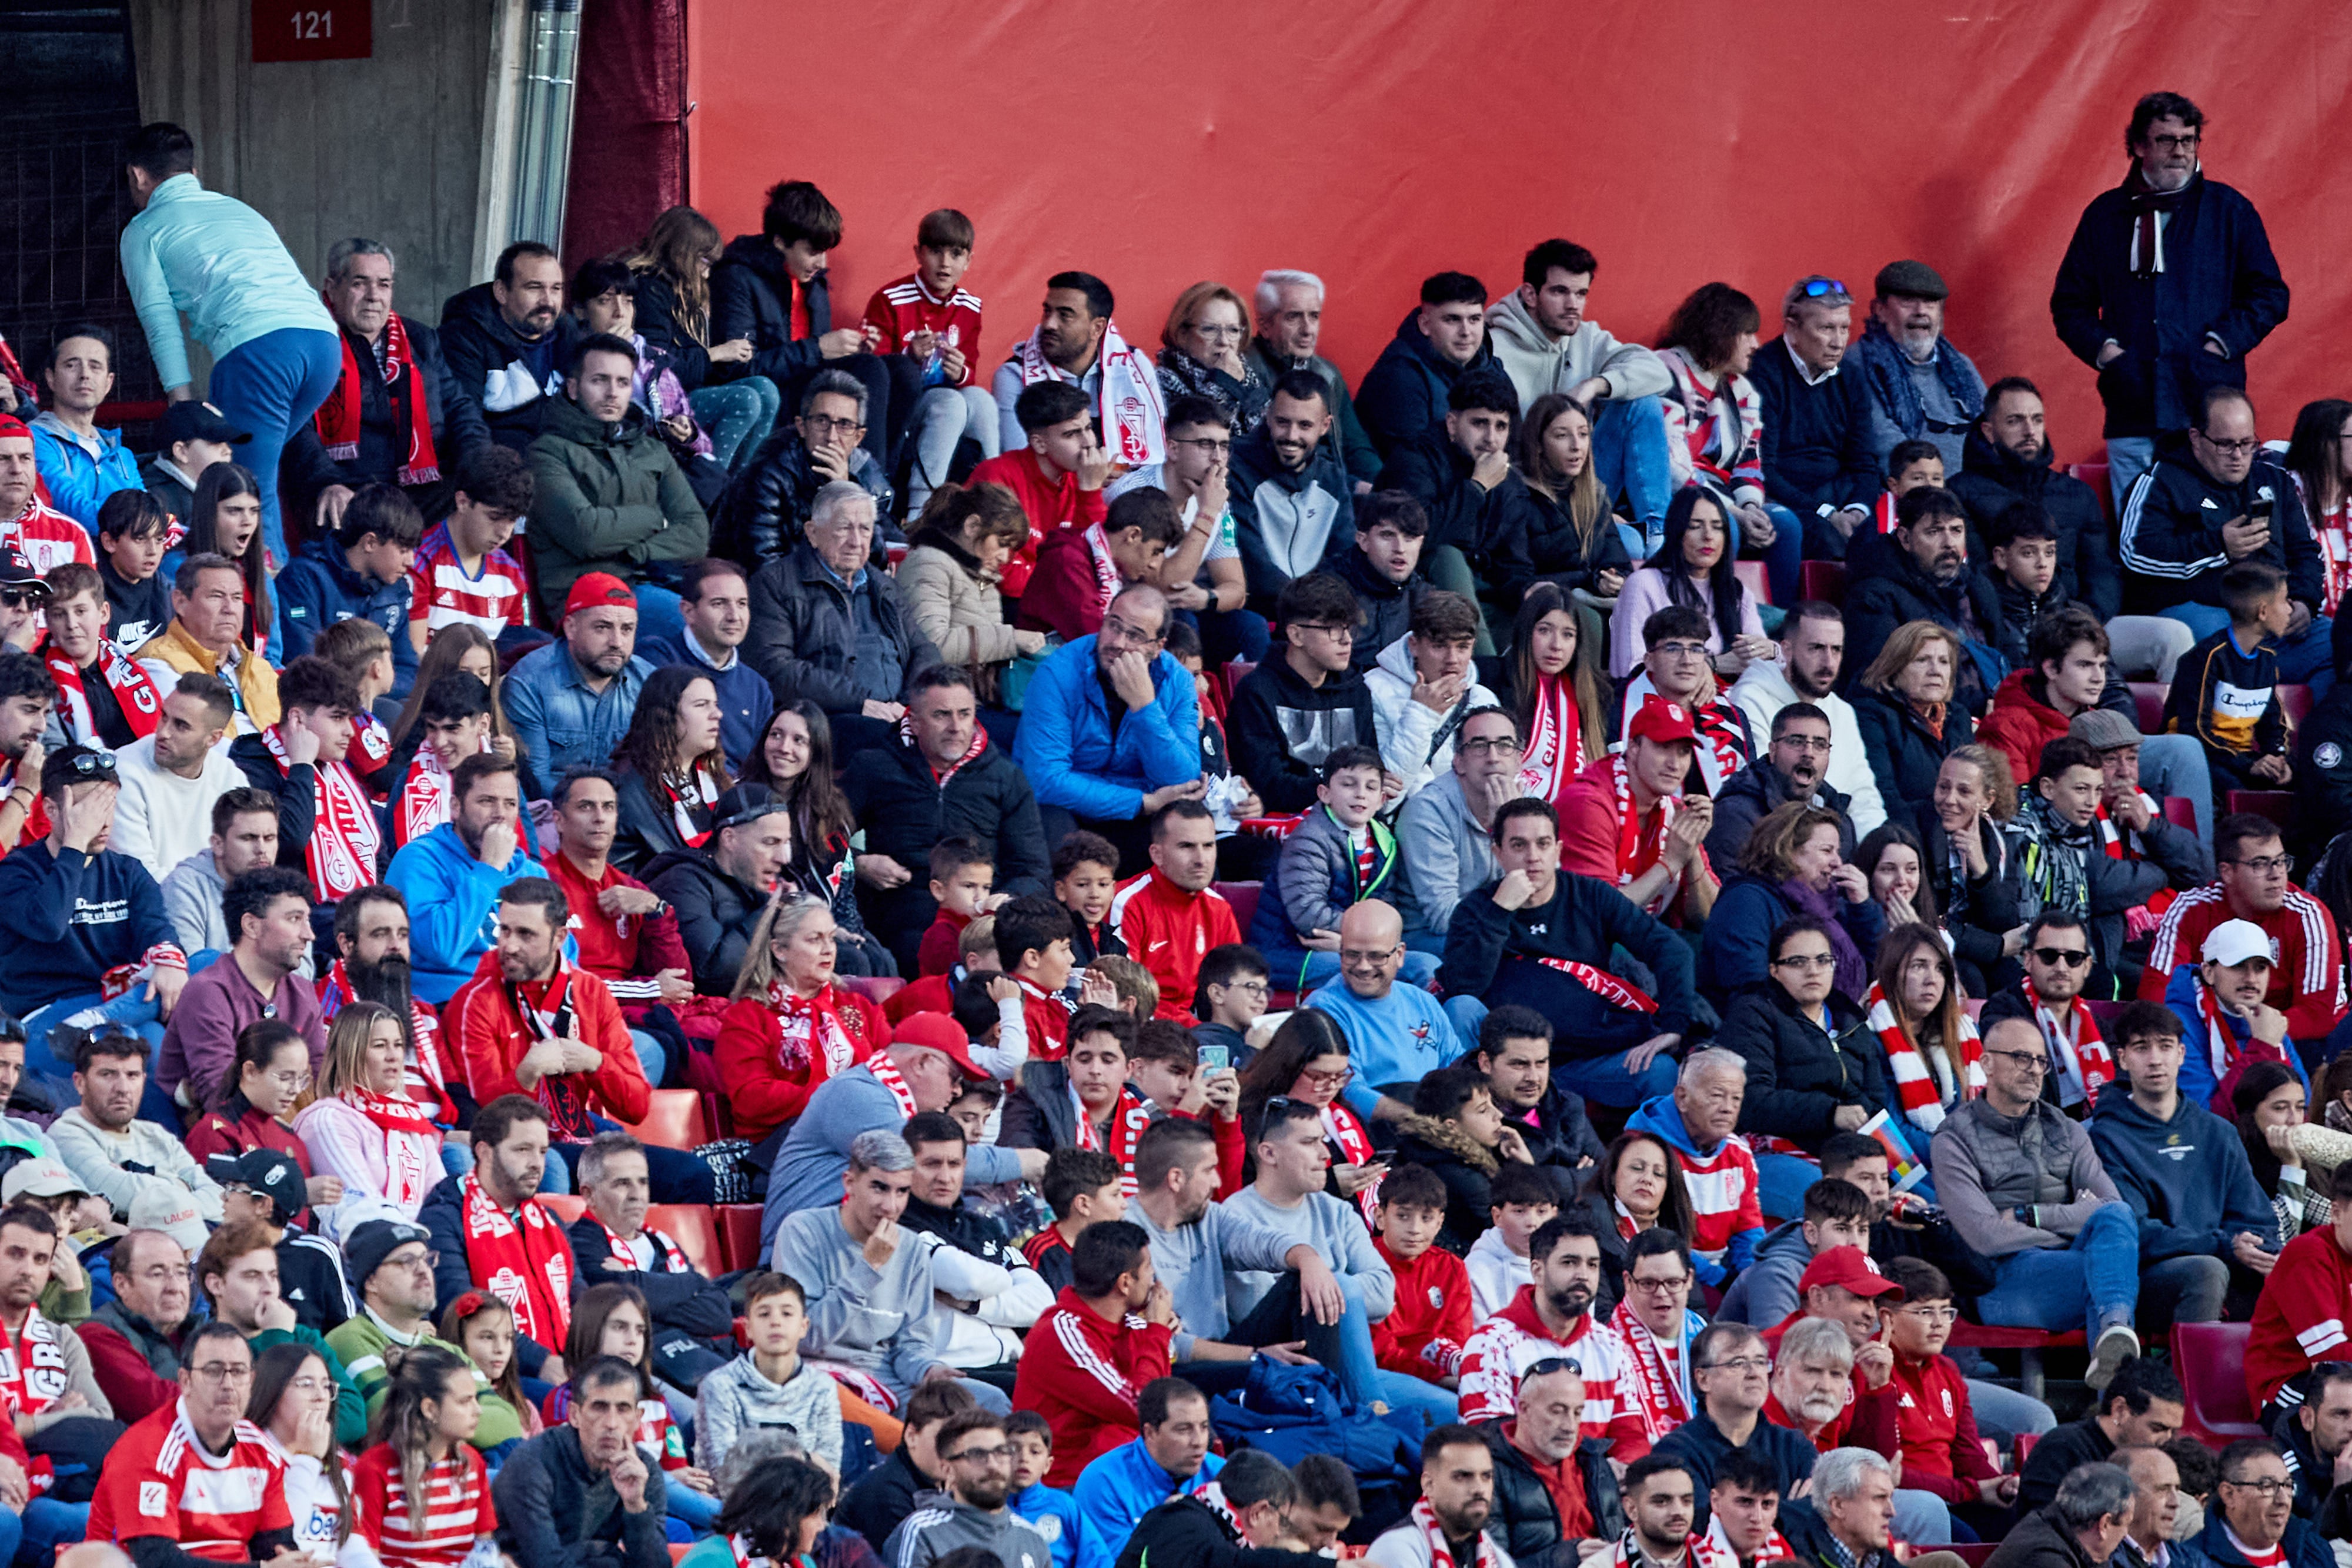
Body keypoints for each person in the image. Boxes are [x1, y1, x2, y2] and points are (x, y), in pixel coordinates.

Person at [116, 123, 340, 566]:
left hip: (260, 352)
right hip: (323, 346)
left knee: (240, 495)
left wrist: (182, 404)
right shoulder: (241, 210)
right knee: (253, 479)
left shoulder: (143, 229)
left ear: (138, 177)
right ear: (193, 171)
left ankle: (272, 633)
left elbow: (159, 321)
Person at [2053, 92, 2290, 502]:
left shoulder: (2229, 211)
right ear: (2139, 146)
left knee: (2214, 525)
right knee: (2139, 531)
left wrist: (2220, 344)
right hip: (2133, 403)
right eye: (2166, 140)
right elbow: (2070, 304)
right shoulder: (2106, 216)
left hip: (2209, 409)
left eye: (2189, 140)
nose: (2179, 151)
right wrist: (2109, 354)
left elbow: (2270, 294)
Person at [446, 879, 707, 1202]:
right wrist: (526, 1075)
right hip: (523, 1146)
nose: (510, 945)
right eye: (505, 931)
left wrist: (596, 1063)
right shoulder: (476, 1000)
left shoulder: (591, 993)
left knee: (693, 1175)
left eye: (526, 934)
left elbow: (637, 1105)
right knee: (568, 1170)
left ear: (559, 937)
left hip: (580, 1136)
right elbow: (485, 1111)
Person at [1932, 1014, 2146, 1386]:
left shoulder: (2066, 1130)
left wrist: (2028, 1216)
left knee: (2116, 1219)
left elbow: (2109, 1207)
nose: (2034, 1070)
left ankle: (2114, 1333)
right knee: (2109, 1276)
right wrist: (2072, 1224)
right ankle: (2117, 1416)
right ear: (1986, 1064)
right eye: (2021, 1058)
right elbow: (1985, 1237)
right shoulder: (1953, 1138)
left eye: (2040, 1061)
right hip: (2001, 1281)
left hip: (2066, 1263)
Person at [1444, 797, 1696, 1106]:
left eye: (1543, 844)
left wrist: (1674, 1027)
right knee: (1461, 1008)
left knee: (1660, 1071)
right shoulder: (1477, 909)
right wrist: (1500, 912)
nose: (1533, 857)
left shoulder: (1590, 895)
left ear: (1559, 851)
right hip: (1507, 1068)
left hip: (1584, 1057)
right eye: (1519, 845)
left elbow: (1670, 950)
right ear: (1498, 853)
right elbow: (1462, 988)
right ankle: (1472, 1122)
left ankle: (1642, 1156)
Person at [769, 1129, 1010, 1414]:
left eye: (902, 1192)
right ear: (850, 1183)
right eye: (879, 1188)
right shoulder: (802, 1231)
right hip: (820, 1377)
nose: (890, 1206)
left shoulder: (912, 1248)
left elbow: (912, 1343)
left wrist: (928, 1370)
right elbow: (804, 1338)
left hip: (888, 1380)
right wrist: (868, 1268)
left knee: (989, 1402)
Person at [0, 747, 189, 1077]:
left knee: (206, 965)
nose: (103, 821)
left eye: (109, 806)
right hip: (46, 1020)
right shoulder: (16, 871)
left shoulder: (128, 872)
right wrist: (75, 844)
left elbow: (156, 930)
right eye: (88, 809)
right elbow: (49, 923)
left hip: (117, 1006)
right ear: (51, 810)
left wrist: (168, 961)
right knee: (136, 1052)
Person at [2089, 1000, 2278, 1327]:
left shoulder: (2218, 1132)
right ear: (2122, 1058)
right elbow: (2135, 1231)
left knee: (2296, 1270)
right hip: (2147, 1277)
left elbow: (2257, 1219)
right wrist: (2225, 1245)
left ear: (2180, 1054)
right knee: (2207, 1271)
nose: (2155, 1060)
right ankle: (2194, 1379)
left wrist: (2256, 1248)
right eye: (2141, 1048)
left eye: (2165, 1047)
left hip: (2226, 1263)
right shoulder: (2106, 1136)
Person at [844, 663, 1047, 968]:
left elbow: (1034, 870)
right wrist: (858, 864)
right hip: (901, 917)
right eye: (942, 715)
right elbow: (823, 837)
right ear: (914, 720)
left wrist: (1003, 900)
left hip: (981, 922)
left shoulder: (1006, 778)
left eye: (964, 714)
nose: (956, 726)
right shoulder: (873, 767)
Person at [2120, 387, 2330, 683]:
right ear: (2196, 438)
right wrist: (2219, 546)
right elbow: (2135, 554)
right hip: (2207, 613)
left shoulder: (2274, 480)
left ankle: (2321, 730)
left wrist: (2304, 602)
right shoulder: (2160, 482)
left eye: (2247, 444)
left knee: (2341, 645)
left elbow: (2306, 553)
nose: (2238, 456)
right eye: (2225, 445)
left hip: (2276, 617)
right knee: (2223, 641)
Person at [744, 481, 940, 754]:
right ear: (812, 533)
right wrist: (861, 703)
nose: (856, 542)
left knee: (980, 749)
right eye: (844, 528)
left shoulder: (883, 586)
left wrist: (912, 705)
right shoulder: (774, 584)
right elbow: (775, 668)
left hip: (895, 714)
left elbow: (923, 649)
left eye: (864, 529)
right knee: (895, 747)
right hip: (824, 718)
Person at [1012, 583, 1204, 861]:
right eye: (1114, 626)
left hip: (1131, 816)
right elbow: (1046, 780)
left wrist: (1145, 707)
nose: (1118, 642)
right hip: (1066, 811)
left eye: (1135, 636)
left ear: (1158, 647)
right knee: (1055, 829)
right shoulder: (1057, 673)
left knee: (1185, 839)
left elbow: (1182, 780)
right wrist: (1142, 801)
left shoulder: (1178, 681)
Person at [85, 1321, 299, 1564]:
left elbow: (276, 1548)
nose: (228, 1385)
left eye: (238, 1372)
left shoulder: (261, 1451)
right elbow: (157, 1562)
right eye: (214, 1371)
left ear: (251, 1381)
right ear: (185, 1381)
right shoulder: (148, 1449)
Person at [2138, 814, 2347, 1045]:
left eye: (2280, 861)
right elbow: (2156, 994)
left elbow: (2318, 1014)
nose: (2276, 874)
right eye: (2260, 864)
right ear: (2227, 872)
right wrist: (2217, 1034)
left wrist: (2252, 1032)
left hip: (2290, 1042)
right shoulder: (2191, 909)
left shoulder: (2307, 914)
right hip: (2205, 1037)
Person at [326, 1217, 525, 1450]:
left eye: (426, 1259)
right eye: (406, 1261)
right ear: (371, 1282)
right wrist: (461, 1420)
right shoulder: (350, 1340)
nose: (423, 1270)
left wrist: (440, 1421)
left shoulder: (446, 1349)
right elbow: (398, 1422)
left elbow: (508, 1421)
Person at [541, 770, 695, 1064]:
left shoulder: (632, 890)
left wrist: (657, 911)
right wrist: (648, 990)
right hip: (569, 1021)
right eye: (586, 807)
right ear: (559, 820)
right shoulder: (542, 883)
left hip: (628, 1015)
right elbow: (554, 982)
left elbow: (680, 983)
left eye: (608, 807)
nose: (600, 817)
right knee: (645, 1053)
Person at [1009, 1219, 1175, 1487]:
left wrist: (1155, 1333)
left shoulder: (1131, 1324)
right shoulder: (1062, 1334)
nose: (1155, 1279)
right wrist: (1156, 1331)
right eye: (1148, 1269)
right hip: (1072, 1487)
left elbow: (1165, 1398)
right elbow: (1144, 1408)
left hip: (1125, 1472)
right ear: (1125, 1283)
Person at [714, 897, 892, 1142]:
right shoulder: (749, 1016)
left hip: (866, 1136)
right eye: (814, 939)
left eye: (831, 937)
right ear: (779, 950)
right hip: (785, 1145)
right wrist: (836, 1098)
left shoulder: (858, 1007)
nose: (829, 949)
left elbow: (894, 1072)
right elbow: (750, 1097)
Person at [1456, 1215, 1643, 1446]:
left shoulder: (1613, 1346)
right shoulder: (1490, 1344)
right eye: (1569, 1263)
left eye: (1592, 1264)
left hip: (1603, 1480)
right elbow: (1495, 1446)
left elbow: (1631, 1439)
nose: (1583, 1275)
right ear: (1537, 1271)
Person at [156, 868, 323, 1114]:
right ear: (252, 926)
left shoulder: (304, 993)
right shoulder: (207, 992)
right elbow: (222, 1098)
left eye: (307, 920)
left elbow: (325, 1085)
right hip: (210, 1139)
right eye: (294, 919)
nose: (309, 935)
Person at [384, 754, 547, 1005]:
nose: (500, 814)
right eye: (487, 801)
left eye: (510, 804)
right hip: (446, 1005)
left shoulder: (532, 873)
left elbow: (561, 955)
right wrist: (489, 869)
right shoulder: (419, 860)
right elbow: (442, 949)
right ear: (456, 807)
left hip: (523, 1006)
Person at [490, 1355, 671, 1568]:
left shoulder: (642, 1469)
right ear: (575, 1415)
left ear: (638, 1418)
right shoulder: (532, 1463)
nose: (612, 1423)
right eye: (599, 1407)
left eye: (623, 1409)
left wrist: (635, 1505)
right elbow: (545, 1562)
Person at [1745, 277, 1879, 562]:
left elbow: (1865, 463)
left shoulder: (1851, 376)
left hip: (1839, 498)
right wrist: (1827, 512)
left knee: (1884, 539)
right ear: (1793, 329)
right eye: (1826, 328)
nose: (1839, 342)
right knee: (1824, 539)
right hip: (1786, 500)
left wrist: (1858, 510)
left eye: (1844, 328)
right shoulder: (1761, 373)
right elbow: (1762, 468)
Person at [1560, 694, 1720, 927]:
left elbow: (1708, 918)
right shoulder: (1588, 804)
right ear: (1634, 747)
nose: (1675, 764)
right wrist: (1671, 862)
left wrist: (1691, 851)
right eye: (1663, 747)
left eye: (1684, 752)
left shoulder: (1676, 810)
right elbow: (1599, 914)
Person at [719, 369, 898, 568]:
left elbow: (876, 562)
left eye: (844, 425)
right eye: (822, 421)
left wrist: (845, 493)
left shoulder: (866, 475)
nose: (832, 436)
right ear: (802, 426)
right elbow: (764, 565)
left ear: (858, 437)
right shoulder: (769, 473)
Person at [1700, 805, 1879, 1005]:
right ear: (1787, 850)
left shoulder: (1833, 905)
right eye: (1827, 851)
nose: (1837, 862)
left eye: (1838, 852)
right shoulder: (1745, 901)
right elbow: (1750, 986)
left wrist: (1863, 907)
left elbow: (1882, 966)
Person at [502, 574, 655, 787]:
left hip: (628, 812)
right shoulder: (529, 683)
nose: (617, 642)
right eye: (602, 627)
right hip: (554, 812)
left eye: (627, 629)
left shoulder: (649, 682)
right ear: (571, 627)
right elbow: (535, 782)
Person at [439, 239, 582, 455]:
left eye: (556, 289)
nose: (548, 301)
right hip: (500, 470)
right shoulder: (464, 338)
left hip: (560, 463)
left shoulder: (567, 333)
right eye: (534, 288)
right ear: (501, 292)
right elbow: (463, 426)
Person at [693, 1269, 843, 1473]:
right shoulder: (719, 1386)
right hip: (737, 1504)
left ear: (804, 1326)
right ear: (748, 1328)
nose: (776, 1322)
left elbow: (828, 1470)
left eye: (787, 1314)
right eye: (764, 1314)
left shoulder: (822, 1387)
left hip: (806, 1502)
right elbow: (723, 1473)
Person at [1610, 490, 1768, 682]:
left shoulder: (1736, 592)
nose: (1708, 536)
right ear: (1676, 533)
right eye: (1695, 526)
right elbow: (1630, 670)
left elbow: (1762, 665)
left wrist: (1772, 651)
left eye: (1717, 527)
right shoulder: (1643, 585)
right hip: (1659, 705)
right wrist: (1713, 665)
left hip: (1727, 702)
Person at [1245, 271, 1382, 492]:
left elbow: (1356, 447)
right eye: (1294, 317)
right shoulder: (1246, 372)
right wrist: (1353, 487)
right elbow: (1270, 460)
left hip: (1335, 494)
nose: (1308, 330)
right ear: (1265, 326)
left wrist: (1385, 488)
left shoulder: (1328, 374)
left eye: (1314, 316)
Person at [1105, 801, 1241, 1023]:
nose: (1201, 860)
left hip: (1199, 1030)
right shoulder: (1127, 902)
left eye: (1208, 846)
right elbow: (1127, 998)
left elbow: (1234, 988)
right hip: (1146, 1031)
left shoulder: (1219, 908)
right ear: (1157, 855)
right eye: (1186, 846)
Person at [1398, 704, 1522, 942]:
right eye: (1479, 746)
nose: (1493, 757)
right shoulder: (1428, 811)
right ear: (1459, 762)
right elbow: (1444, 917)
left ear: (1519, 760)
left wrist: (1513, 825)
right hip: (1430, 938)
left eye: (1505, 745)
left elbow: (1548, 892)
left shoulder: (1529, 806)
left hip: (1501, 926)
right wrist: (1505, 834)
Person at [1847, 261, 1986, 474]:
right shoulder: (1858, 362)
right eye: (1908, 301)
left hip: (1978, 486)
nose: (1921, 311)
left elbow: (1992, 427)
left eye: (1930, 303)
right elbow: (1883, 442)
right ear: (1880, 310)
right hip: (1919, 490)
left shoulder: (1962, 365)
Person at [1068, 1376, 1220, 1568]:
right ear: (1150, 1433)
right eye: (1184, 1430)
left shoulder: (1221, 1475)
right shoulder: (1103, 1483)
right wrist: (1168, 1525)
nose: (1199, 1441)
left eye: (1204, 1427)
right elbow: (1118, 1564)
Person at [108, 673, 242, 886]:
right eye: (164, 716)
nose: (163, 733)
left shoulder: (231, 778)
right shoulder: (124, 773)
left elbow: (245, 864)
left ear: (214, 738)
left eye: (181, 726)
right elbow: (140, 876)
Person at [1354, 272, 1497, 459]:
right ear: (1425, 324)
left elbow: (1514, 445)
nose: (1466, 331)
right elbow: (1413, 464)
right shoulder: (1398, 377)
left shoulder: (1493, 368)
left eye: (1474, 319)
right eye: (1452, 320)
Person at [132, 553, 278, 737]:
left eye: (237, 598)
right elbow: (202, 747)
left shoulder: (261, 669)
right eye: (216, 596)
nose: (229, 609)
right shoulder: (156, 664)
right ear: (181, 603)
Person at [404, 446, 536, 648]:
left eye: (512, 521)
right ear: (463, 502)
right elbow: (412, 658)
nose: (504, 534)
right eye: (494, 517)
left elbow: (513, 657)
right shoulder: (419, 561)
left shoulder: (512, 575)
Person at [1851, 620, 1976, 831]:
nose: (1936, 671)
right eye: (1922, 660)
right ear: (1895, 669)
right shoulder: (1870, 716)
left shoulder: (1958, 717)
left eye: (1944, 661)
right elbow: (1885, 795)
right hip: (1906, 838)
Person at [2016, 1354, 2185, 1509]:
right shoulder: (2061, 1451)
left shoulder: (2166, 1456)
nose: (2167, 1439)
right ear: (2120, 1410)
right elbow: (2051, 1528)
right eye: (2157, 1428)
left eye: (2173, 1430)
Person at [1705, 701, 1855, 868]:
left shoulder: (1840, 820)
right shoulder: (1736, 814)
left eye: (1820, 745)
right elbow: (1732, 889)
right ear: (1773, 750)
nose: (1809, 753)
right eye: (1797, 742)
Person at [1502, 584, 1606, 821]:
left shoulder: (1597, 695)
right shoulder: (1494, 681)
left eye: (1568, 635)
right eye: (1545, 630)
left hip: (1579, 818)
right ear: (1527, 632)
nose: (1556, 645)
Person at [39, 561, 162, 753]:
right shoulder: (38, 676)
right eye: (59, 614)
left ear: (104, 613)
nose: (72, 624)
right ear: (47, 620)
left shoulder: (125, 666)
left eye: (80, 611)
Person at [2196, 1440, 2331, 1568]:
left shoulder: (2313, 1549)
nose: (2283, 1500)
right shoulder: (2193, 1560)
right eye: (2267, 1486)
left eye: (2288, 1485)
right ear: (2229, 1495)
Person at [1981, 1461, 2138, 1568]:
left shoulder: (2053, 1529)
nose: (2125, 1535)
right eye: (2127, 1524)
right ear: (2104, 1524)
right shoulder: (2045, 1558)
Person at [96, 490, 175, 653]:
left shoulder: (166, 593)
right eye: (140, 539)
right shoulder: (90, 592)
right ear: (109, 542)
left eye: (159, 539)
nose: (153, 551)